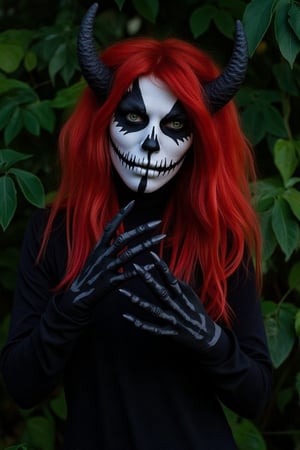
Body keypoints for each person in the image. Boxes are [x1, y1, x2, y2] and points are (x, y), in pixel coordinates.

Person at [0, 3, 272, 449]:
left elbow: (256, 395)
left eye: (175, 125)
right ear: (101, 122)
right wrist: (70, 308)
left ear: (198, 138)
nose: (150, 141)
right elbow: (21, 386)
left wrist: (209, 339)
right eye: (132, 117)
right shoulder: (55, 232)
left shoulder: (218, 236)